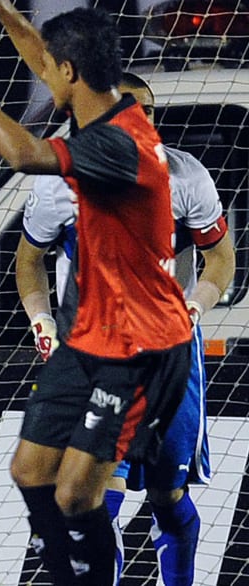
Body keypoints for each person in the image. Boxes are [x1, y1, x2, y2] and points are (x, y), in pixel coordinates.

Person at [0, 0, 193, 586]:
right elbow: (47, 59)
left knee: (75, 495)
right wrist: (0, 5)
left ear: (74, 76)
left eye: (54, 73)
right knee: (29, 472)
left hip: (141, 348)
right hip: (91, 333)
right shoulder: (107, 104)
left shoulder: (120, 145)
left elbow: (24, 155)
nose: (46, 76)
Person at [17, 72, 234, 586]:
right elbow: (29, 261)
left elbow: (221, 260)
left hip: (169, 354)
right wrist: (43, 323)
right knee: (93, 499)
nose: (144, 120)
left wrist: (195, 308)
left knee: (167, 496)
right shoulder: (59, 185)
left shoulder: (187, 178)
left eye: (151, 110)